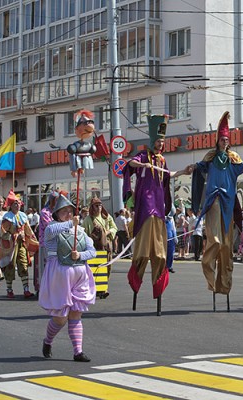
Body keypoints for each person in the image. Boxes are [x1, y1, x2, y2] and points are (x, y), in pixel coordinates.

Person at [190, 112, 243, 310]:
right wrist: (192, 168)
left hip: (228, 204)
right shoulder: (211, 157)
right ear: (217, 141)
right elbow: (200, 167)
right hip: (214, 200)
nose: (224, 142)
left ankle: (223, 286)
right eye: (222, 139)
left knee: (226, 248)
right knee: (214, 240)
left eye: (226, 139)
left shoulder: (233, 159)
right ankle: (208, 269)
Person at [123, 114, 190, 314]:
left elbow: (169, 175)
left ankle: (158, 287)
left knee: (160, 255)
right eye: (159, 142)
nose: (161, 145)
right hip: (145, 208)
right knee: (142, 252)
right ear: (152, 142)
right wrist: (142, 165)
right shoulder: (143, 156)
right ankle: (136, 280)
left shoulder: (161, 160)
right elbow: (130, 164)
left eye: (163, 142)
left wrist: (183, 172)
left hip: (159, 209)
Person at [38, 195, 96, 362]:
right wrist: (72, 223)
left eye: (71, 211)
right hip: (59, 275)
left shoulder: (81, 232)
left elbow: (91, 252)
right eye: (65, 212)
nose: (69, 214)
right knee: (61, 318)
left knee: (76, 313)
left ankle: (78, 351)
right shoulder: (52, 228)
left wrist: (80, 255)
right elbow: (49, 232)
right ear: (57, 214)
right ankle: (48, 341)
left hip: (79, 274)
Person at [0, 191, 39, 298]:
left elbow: (28, 230)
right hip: (10, 247)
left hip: (21, 245)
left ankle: (26, 290)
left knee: (23, 264)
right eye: (15, 203)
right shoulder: (7, 217)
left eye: (18, 203)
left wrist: (32, 240)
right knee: (10, 266)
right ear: (11, 206)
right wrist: (14, 236)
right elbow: (3, 233)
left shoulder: (23, 216)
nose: (17, 205)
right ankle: (9, 289)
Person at [82, 197, 116, 299]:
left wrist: (108, 232)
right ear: (92, 207)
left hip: (107, 247)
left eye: (100, 205)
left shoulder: (106, 217)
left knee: (107, 267)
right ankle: (94, 288)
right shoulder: (88, 219)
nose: (99, 207)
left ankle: (104, 288)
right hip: (94, 248)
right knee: (94, 269)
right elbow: (84, 234)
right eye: (96, 206)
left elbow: (114, 227)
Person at [165, 207, 177, 274]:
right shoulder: (161, 218)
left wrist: (175, 237)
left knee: (171, 252)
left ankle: (169, 266)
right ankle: (163, 267)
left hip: (171, 237)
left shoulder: (171, 219)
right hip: (164, 237)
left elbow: (173, 227)